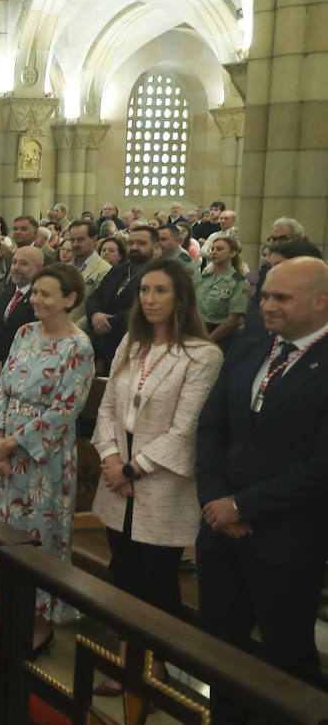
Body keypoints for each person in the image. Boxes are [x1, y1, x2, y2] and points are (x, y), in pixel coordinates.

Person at [190, 257, 328, 725]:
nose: (265, 304)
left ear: (320, 302)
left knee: (286, 655)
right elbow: (211, 428)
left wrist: (242, 505)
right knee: (220, 644)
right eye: (265, 294)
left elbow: (320, 467)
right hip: (221, 530)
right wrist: (215, 500)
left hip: (286, 537)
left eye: (280, 298)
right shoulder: (249, 346)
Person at [89, 259, 221, 696]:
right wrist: (111, 458)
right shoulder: (131, 341)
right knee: (123, 571)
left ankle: (157, 666)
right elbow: (108, 405)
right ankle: (129, 658)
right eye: (145, 290)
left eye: (160, 291)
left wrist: (132, 469)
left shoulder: (202, 355)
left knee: (157, 580)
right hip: (117, 477)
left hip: (159, 483)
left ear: (181, 297)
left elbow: (185, 429)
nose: (149, 299)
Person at [0, 263, 96, 655]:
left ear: (70, 300)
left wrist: (11, 442)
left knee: (40, 539)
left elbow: (65, 409)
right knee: (6, 533)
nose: (37, 301)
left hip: (43, 458)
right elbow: (3, 391)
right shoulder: (25, 333)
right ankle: (10, 610)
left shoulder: (78, 347)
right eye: (35, 293)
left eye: (46, 294)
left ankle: (40, 624)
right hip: (7, 452)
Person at [88, 226, 155, 372]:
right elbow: (95, 297)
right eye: (131, 243)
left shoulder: (158, 273)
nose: (134, 247)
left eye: (141, 243)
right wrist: (95, 315)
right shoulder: (119, 269)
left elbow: (146, 308)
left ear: (155, 247)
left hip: (135, 341)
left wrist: (107, 322)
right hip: (103, 341)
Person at [0, 246, 42, 383]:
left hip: (22, 373)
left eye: (23, 264)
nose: (16, 268)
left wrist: (5, 364)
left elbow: (33, 341)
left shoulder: (40, 299)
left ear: (39, 268)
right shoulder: (9, 292)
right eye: (14, 262)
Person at [196, 236, 250, 349]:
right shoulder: (205, 278)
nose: (214, 252)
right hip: (197, 331)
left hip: (220, 337)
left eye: (219, 249)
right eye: (213, 249)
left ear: (232, 253)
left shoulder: (239, 282)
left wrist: (209, 339)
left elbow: (233, 320)